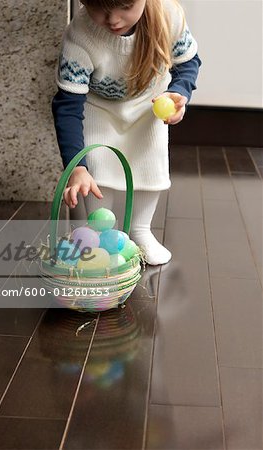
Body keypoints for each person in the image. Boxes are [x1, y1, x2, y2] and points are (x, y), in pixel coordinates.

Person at [52, 0, 201, 265]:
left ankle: (141, 230)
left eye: (125, 6)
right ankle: (101, 234)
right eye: (100, 8)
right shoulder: (80, 37)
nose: (113, 20)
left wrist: (179, 92)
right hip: (100, 108)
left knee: (149, 164)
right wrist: (77, 168)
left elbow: (188, 63)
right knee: (98, 168)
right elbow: (67, 107)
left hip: (149, 105)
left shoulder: (168, 15)